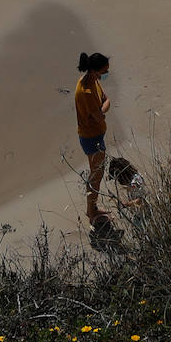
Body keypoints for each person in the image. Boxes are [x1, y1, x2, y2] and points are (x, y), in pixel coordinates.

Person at [75, 51, 111, 223]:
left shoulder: (92, 81)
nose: (104, 75)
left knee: (95, 172)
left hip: (95, 134)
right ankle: (91, 212)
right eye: (103, 72)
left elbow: (106, 99)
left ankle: (93, 208)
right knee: (96, 175)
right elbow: (99, 113)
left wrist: (102, 109)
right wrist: (103, 110)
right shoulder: (86, 91)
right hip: (91, 136)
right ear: (94, 70)